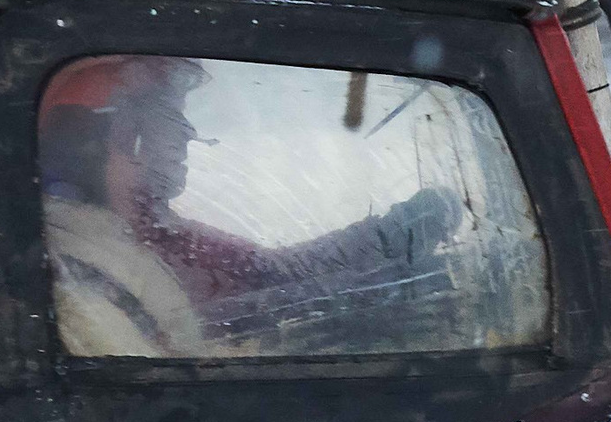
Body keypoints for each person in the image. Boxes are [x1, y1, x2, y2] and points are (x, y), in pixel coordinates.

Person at [38, 56, 463, 358]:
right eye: (165, 120)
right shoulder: (81, 276)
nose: (184, 136)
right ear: (108, 143)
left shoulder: (153, 232)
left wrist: (390, 239)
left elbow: (272, 274)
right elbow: (200, 365)